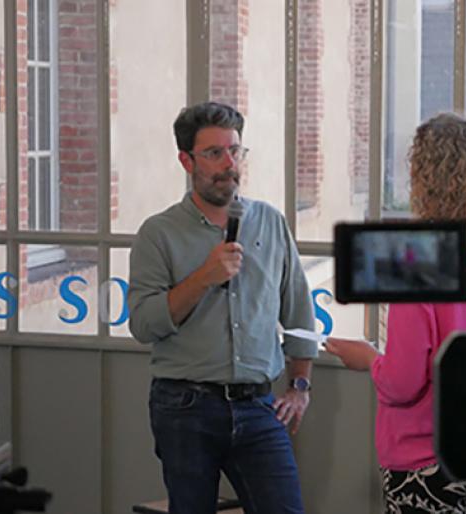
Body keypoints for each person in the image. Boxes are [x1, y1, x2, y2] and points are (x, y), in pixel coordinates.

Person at [325, 112, 466, 513]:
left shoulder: (418, 259)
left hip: (429, 460)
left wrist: (368, 358)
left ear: (423, 178)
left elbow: (404, 383)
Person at [128, 102, 316, 514]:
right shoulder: (158, 233)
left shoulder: (270, 222)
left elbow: (300, 316)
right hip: (185, 408)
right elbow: (143, 325)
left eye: (235, 151)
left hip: (259, 407)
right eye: (214, 153)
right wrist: (204, 277)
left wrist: (300, 388)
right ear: (186, 160)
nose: (229, 164)